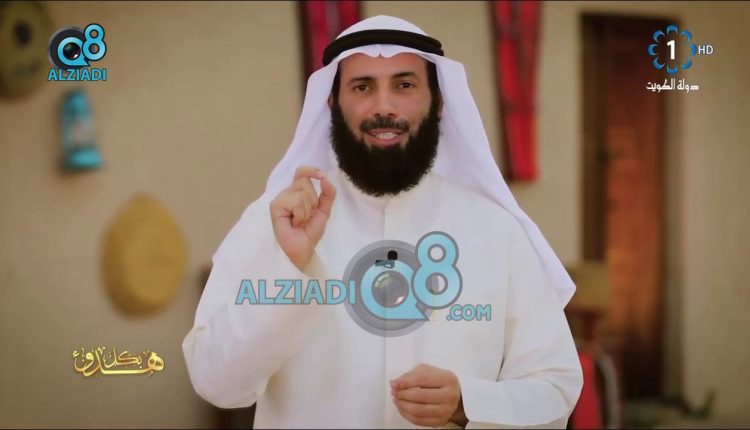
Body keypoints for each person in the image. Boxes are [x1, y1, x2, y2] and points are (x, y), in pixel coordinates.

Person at [183, 15, 582, 429]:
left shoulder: (495, 231)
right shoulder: (278, 219)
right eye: (363, 87)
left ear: (438, 103)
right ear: (333, 105)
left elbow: (555, 390)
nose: (384, 107)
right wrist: (287, 268)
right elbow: (216, 383)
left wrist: (469, 403)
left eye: (404, 85)